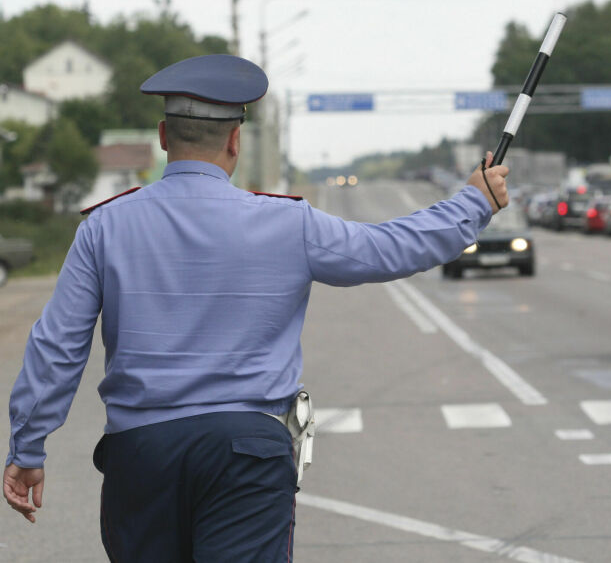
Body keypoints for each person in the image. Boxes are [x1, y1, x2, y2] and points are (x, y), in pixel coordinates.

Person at [3, 54, 509, 561]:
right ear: (234, 140)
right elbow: (390, 248)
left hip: (141, 455)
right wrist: (473, 201)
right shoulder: (288, 223)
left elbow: (58, 344)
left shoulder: (104, 228)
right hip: (247, 453)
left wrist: (29, 446)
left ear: (163, 136)